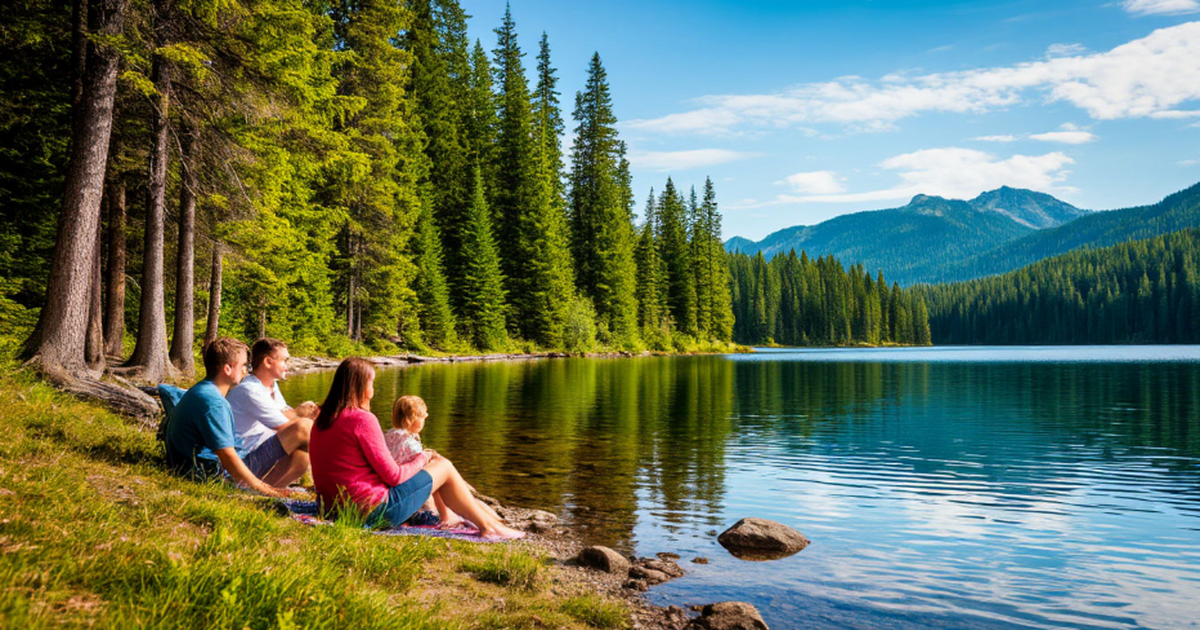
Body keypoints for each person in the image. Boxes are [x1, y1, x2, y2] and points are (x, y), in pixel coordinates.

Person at [309, 357, 525, 540]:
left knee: (436, 468)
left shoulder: (323, 419)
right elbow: (394, 476)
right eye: (371, 383)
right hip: (371, 513)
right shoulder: (362, 419)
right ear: (360, 386)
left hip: (333, 510)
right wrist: (423, 457)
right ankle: (488, 527)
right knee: (444, 466)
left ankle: (477, 521)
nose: (373, 390)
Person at [164, 338, 300, 497]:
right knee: (301, 430)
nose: (246, 371)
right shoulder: (214, 402)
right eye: (243, 365)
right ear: (227, 369)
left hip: (189, 467)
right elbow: (227, 456)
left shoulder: (203, 391)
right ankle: (270, 489)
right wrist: (266, 490)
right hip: (205, 476)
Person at [227, 337, 318, 488]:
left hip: (259, 454)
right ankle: (342, 475)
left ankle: (267, 490)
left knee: (301, 456)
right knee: (305, 428)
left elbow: (285, 413)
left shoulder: (271, 385)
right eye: (284, 361)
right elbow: (289, 427)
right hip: (242, 462)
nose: (287, 366)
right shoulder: (250, 390)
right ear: (268, 362)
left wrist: (309, 413)